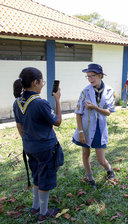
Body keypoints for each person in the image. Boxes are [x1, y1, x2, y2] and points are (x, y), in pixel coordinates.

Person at [13, 67, 62, 223]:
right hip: (45, 148)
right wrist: (57, 100)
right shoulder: (40, 103)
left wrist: (29, 141)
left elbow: (19, 127)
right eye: (42, 82)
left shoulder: (18, 102)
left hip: (29, 146)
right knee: (45, 179)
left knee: (37, 176)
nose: (42, 85)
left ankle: (35, 207)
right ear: (35, 82)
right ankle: (43, 212)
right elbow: (58, 121)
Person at [72, 63, 116, 189]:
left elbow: (108, 112)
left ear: (101, 76)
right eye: (88, 76)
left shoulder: (109, 91)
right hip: (85, 128)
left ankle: (109, 171)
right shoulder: (85, 91)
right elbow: (78, 113)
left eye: (93, 76)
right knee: (85, 154)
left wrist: (94, 107)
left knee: (101, 159)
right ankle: (90, 178)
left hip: (99, 129)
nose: (90, 79)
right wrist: (80, 131)